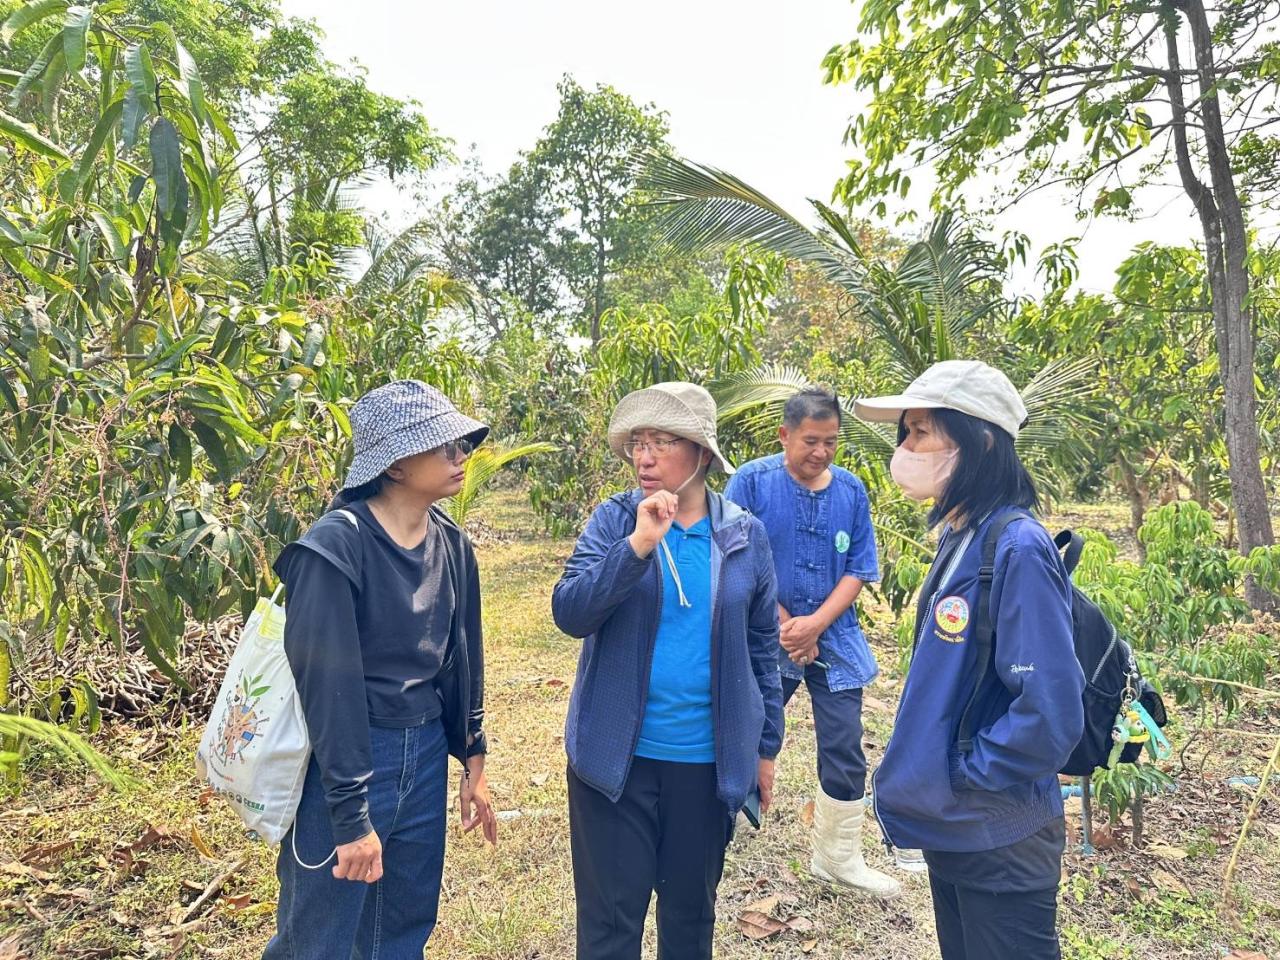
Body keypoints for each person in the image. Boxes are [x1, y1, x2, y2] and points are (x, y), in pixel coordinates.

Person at [854, 360, 1085, 960]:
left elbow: (1050, 711)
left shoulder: (1019, 547)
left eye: (920, 433)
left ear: (979, 442)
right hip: (956, 827)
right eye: (904, 432)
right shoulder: (965, 537)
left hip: (1000, 835)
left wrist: (966, 774)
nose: (905, 448)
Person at [264, 379, 499, 960]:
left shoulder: (452, 545)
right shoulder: (333, 550)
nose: (460, 455)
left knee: (400, 928)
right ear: (393, 465)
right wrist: (349, 815)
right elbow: (329, 690)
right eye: (443, 445)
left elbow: (463, 659)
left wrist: (474, 760)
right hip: (346, 756)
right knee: (319, 935)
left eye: (461, 442)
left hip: (421, 755)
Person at [552, 381, 785, 960]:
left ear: (702, 455)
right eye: (638, 442)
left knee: (688, 919)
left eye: (661, 442)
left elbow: (762, 647)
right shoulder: (614, 521)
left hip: (704, 766)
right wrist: (636, 547)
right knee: (609, 926)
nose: (644, 457)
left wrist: (765, 747)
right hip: (615, 764)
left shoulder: (743, 535)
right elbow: (570, 611)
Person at [725, 387, 903, 898]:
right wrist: (785, 624)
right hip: (764, 632)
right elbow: (737, 560)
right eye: (810, 441)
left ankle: (838, 856)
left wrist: (814, 625)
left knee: (845, 744)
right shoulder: (752, 482)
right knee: (743, 725)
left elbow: (859, 569)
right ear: (784, 435)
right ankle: (719, 830)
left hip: (835, 637)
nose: (821, 452)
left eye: (830, 442)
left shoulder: (850, 491)